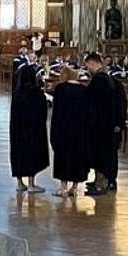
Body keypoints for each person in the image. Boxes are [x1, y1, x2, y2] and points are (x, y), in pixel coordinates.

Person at [84, 52, 120, 196]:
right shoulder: (109, 79)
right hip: (108, 124)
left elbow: (91, 102)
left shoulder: (99, 80)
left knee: (101, 154)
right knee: (105, 154)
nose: (88, 70)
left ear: (93, 64)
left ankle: (101, 184)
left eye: (88, 66)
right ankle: (104, 180)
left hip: (101, 125)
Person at [50, 66, 89, 197]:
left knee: (63, 157)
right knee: (78, 157)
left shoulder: (61, 90)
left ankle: (63, 187)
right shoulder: (84, 90)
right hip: (80, 129)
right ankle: (75, 187)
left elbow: (57, 112)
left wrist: (53, 131)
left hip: (64, 129)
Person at [10, 65, 49, 193]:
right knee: (32, 152)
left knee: (18, 154)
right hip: (33, 129)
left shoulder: (16, 93)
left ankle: (20, 182)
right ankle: (32, 183)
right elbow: (43, 110)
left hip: (18, 128)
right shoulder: (36, 92)